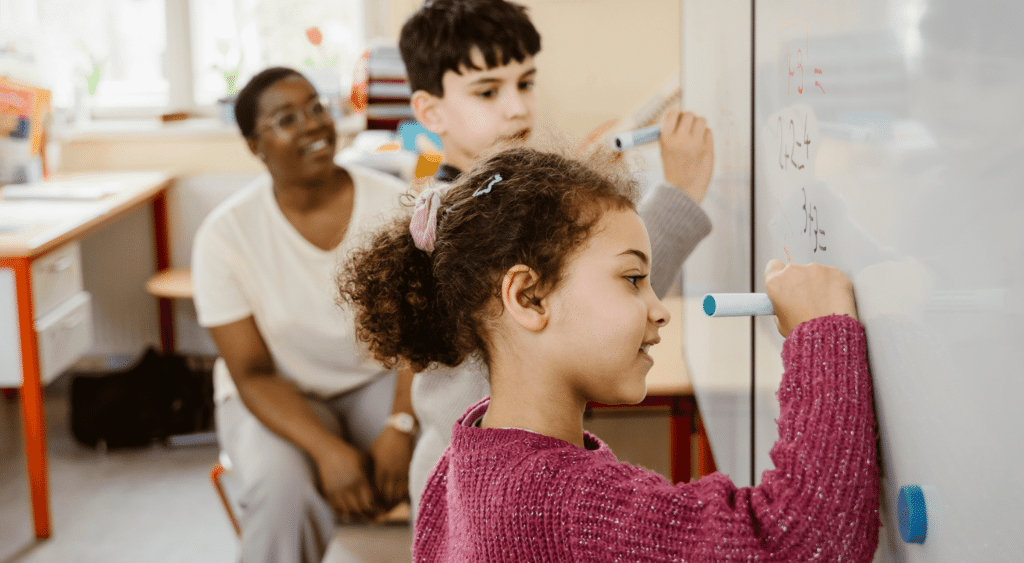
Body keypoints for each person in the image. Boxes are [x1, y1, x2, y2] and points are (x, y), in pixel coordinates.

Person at [338, 146, 880, 561]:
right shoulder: (565, 503)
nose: (658, 308)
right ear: (528, 297)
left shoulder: (464, 459)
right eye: (632, 278)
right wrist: (821, 333)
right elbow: (809, 543)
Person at [398, 0, 716, 514]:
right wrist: (680, 192)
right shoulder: (466, 221)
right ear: (430, 112)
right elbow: (607, 293)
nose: (517, 108)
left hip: (479, 466)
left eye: (525, 83)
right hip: (469, 479)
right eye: (488, 91)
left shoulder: (479, 196)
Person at [191, 67, 418, 563]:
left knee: (442, 463)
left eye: (316, 107)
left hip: (378, 383)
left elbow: (418, 337)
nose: (313, 124)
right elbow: (250, 373)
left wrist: (401, 425)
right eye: (287, 118)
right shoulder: (224, 236)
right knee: (281, 492)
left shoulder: (398, 206)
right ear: (256, 145)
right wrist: (328, 451)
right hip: (277, 393)